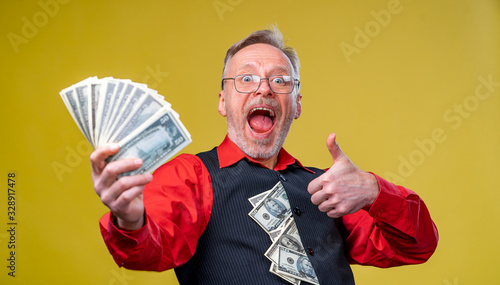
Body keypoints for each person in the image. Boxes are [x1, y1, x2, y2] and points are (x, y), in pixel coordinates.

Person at [91, 27, 438, 284]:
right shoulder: (191, 175)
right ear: (223, 102)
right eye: (246, 78)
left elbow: (416, 245)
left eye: (281, 81)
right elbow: (151, 252)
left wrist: (374, 190)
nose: (263, 88)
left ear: (297, 104)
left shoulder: (328, 187)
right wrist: (129, 219)